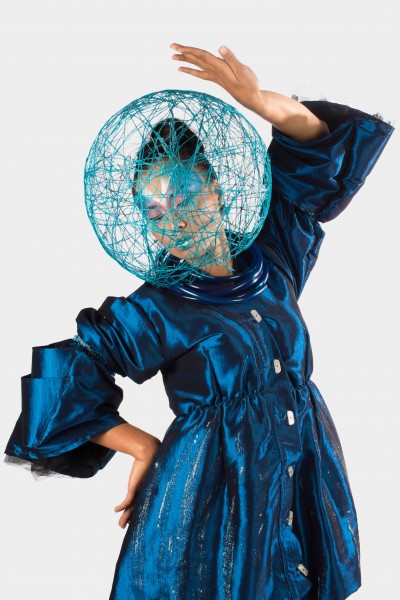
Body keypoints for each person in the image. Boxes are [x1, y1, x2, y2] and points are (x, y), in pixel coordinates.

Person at [3, 43, 394, 600]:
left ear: (215, 188)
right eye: (154, 212)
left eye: (185, 197)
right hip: (220, 496)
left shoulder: (274, 252)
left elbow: (314, 149)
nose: (173, 221)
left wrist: (258, 101)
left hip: (305, 463)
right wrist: (140, 445)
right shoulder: (159, 306)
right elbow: (69, 369)